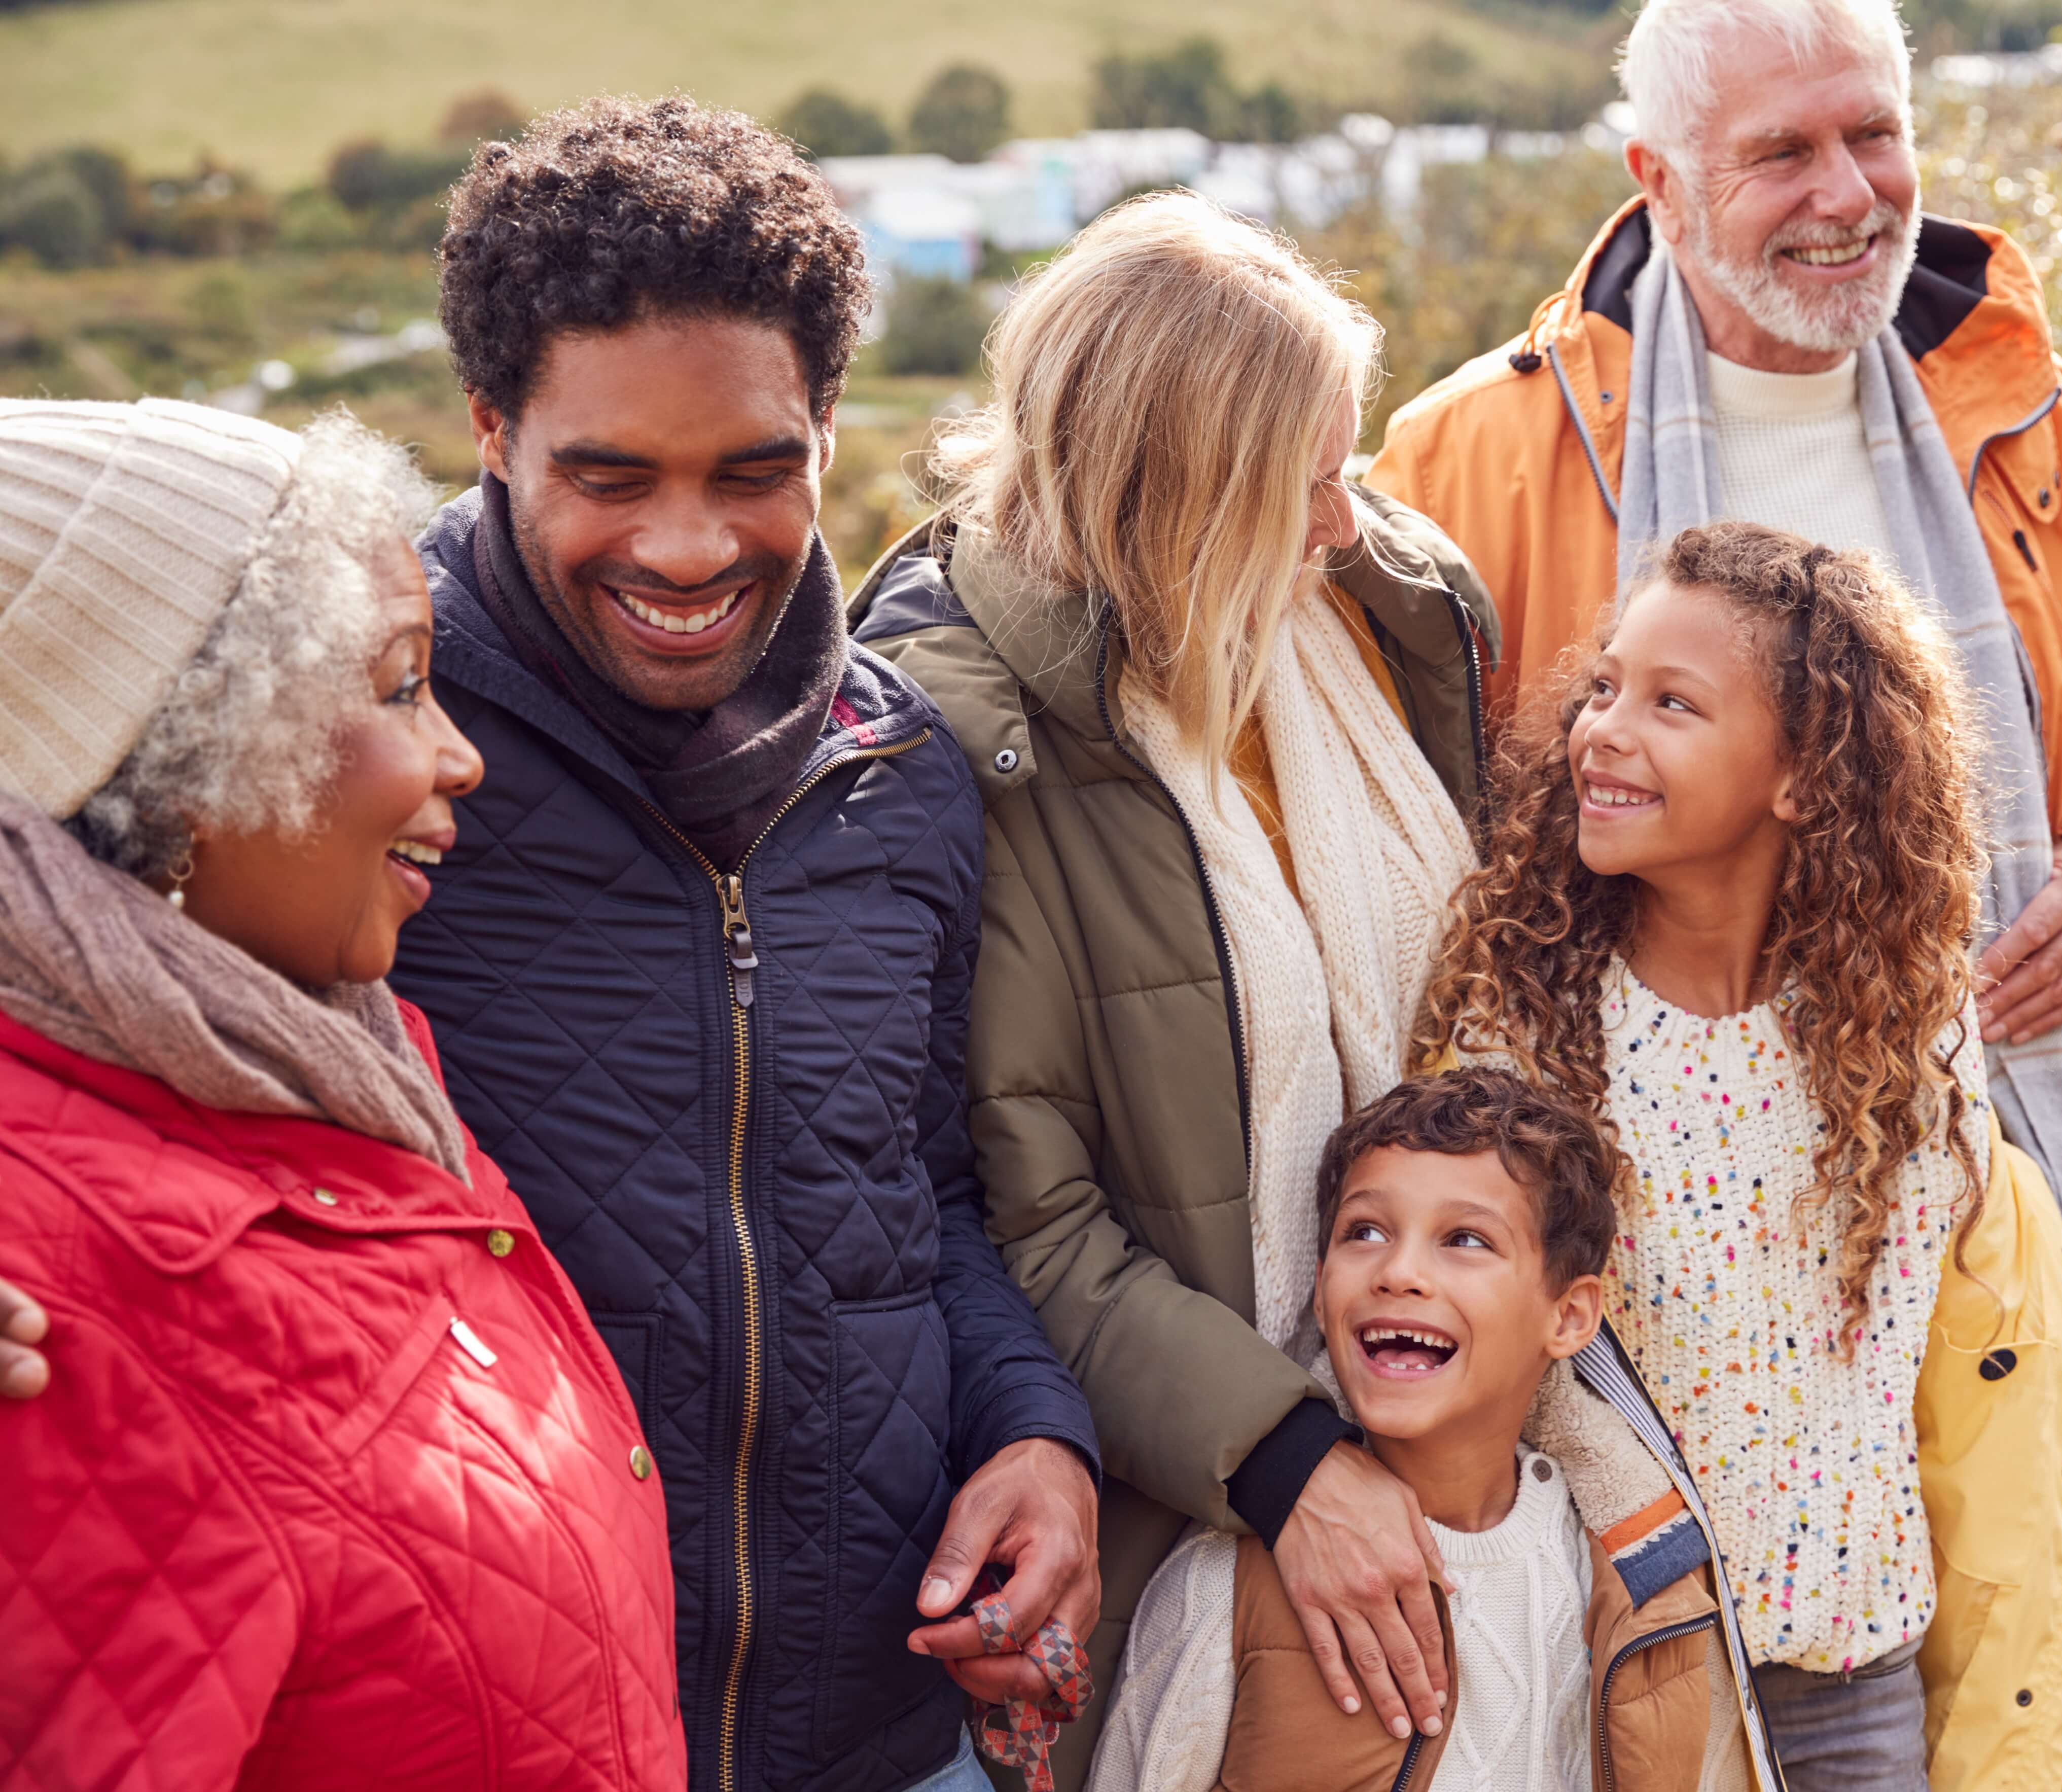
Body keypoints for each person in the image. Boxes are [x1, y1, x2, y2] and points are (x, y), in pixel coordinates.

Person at [1360, 0, 2062, 1780]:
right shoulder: (1474, 456)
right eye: (1782, 151)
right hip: (1651, 1344)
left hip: (1987, 1234)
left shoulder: (2007, 389)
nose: (1850, 192)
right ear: (1659, 182)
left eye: (1874, 133)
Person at [393, 98, 1098, 1792]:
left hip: (885, 1741)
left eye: (755, 471)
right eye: (609, 475)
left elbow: (916, 1197)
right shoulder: (364, 759)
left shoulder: (905, 773)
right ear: (492, 429)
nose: (692, 547)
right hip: (510, 1740)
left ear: (829, 427)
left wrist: (1037, 1436)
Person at [844, 192, 1495, 1779]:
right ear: (1176, 497)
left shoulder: (1381, 615)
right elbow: (1016, 1212)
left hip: (1450, 1400)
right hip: (1174, 1494)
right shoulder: (957, 735)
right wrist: (1282, 1460)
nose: (1348, 519)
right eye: (1307, 481)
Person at [0, 399, 680, 1787]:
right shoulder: (40, 1297)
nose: (457, 754)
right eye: (393, 685)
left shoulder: (332, 1067)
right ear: (171, 763)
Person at [1409, 524, 2062, 1789]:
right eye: (1607, 684)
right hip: (1625, 1671)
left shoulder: (1909, 1029)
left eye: (1672, 703)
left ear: (1804, 773)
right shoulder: (1519, 1028)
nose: (1604, 729)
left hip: (1852, 1682)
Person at [1096, 1069, 1736, 1792]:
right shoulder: (1229, 1581)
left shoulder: (1641, 1591)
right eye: (1364, 1231)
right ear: (1319, 1281)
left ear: (1569, 1317)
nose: (1398, 1271)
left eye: (1464, 1238)